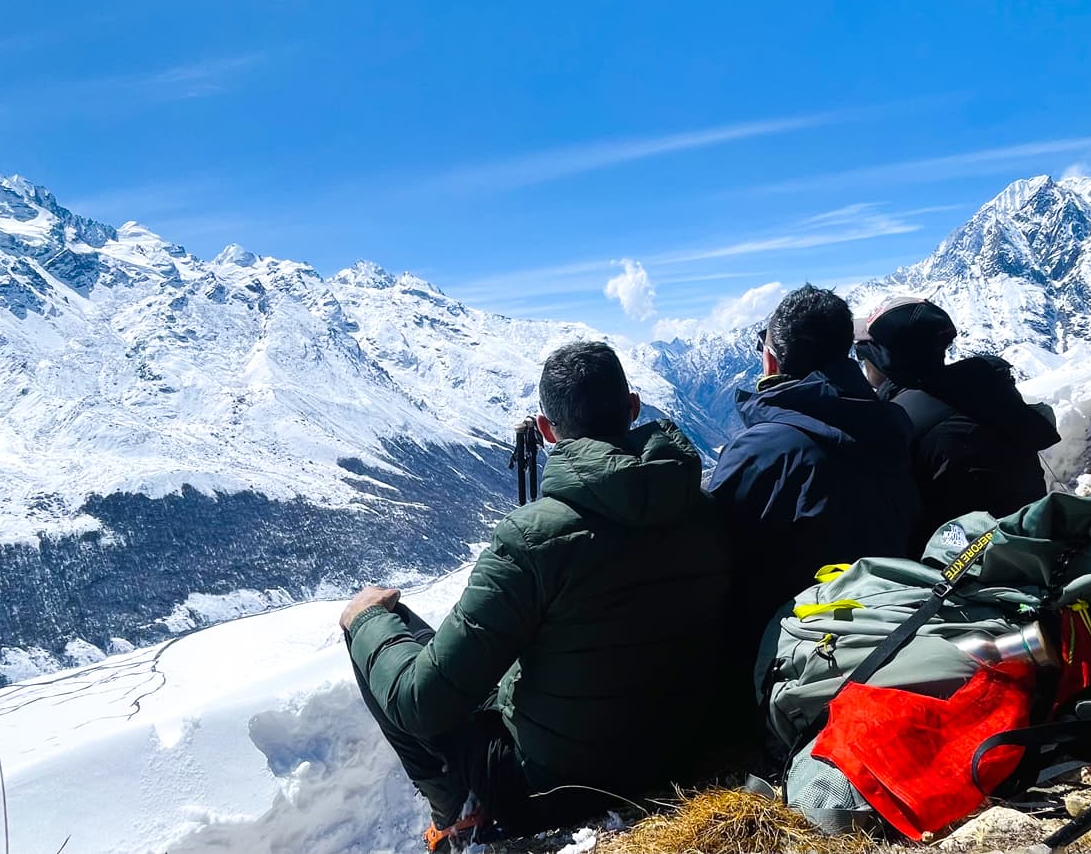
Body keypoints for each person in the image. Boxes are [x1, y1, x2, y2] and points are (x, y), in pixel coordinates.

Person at [339, 341, 733, 849]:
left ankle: (458, 813)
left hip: (554, 787)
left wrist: (366, 620)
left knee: (384, 632)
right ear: (633, 408)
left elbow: (422, 705)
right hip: (680, 751)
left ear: (547, 432)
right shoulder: (707, 510)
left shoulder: (532, 539)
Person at [708, 284, 920, 655]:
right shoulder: (894, 426)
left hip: (790, 648)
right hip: (888, 633)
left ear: (771, 361)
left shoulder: (764, 451)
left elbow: (710, 552)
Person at [853, 296, 1061, 544]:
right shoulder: (991, 391)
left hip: (950, 567)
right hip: (1031, 543)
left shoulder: (895, 424)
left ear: (880, 358)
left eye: (861, 351)